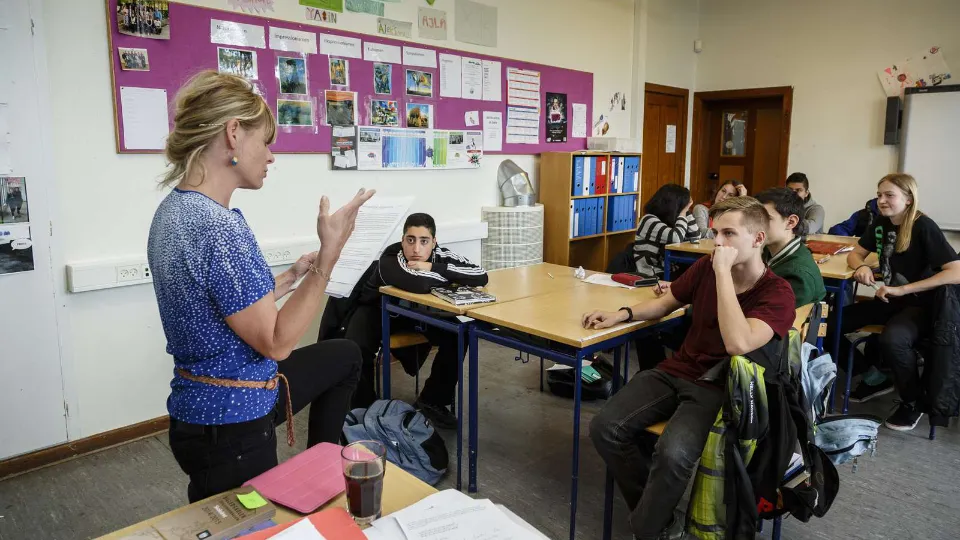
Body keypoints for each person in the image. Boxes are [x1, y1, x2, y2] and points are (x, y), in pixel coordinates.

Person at [147, 70, 376, 503]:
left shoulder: (174, 212)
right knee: (241, 526)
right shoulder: (218, 227)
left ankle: (322, 474)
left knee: (344, 355)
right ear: (233, 134)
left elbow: (223, 304)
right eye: (265, 141)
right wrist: (329, 256)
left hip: (197, 415)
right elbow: (276, 341)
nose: (271, 156)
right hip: (231, 427)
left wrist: (291, 278)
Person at [585, 196, 795, 539]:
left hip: (717, 385)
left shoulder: (777, 292)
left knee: (673, 453)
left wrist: (723, 273)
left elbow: (737, 343)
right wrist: (622, 314)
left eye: (729, 234)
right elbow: (666, 303)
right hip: (677, 370)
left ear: (757, 239)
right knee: (605, 427)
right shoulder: (705, 269)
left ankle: (647, 528)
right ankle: (660, 521)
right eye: (715, 234)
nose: (718, 243)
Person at [320, 213, 488, 428]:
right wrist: (451, 278)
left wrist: (434, 269)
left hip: (413, 314)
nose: (416, 249)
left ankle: (432, 400)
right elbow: (418, 284)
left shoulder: (441, 256)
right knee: (357, 344)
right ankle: (363, 408)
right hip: (376, 308)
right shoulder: (391, 257)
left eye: (424, 241)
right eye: (410, 240)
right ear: (403, 240)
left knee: (458, 334)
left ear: (434, 243)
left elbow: (481, 275)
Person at [836, 174, 960, 429]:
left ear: (908, 198)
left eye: (889, 195)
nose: (881, 200)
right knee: (833, 322)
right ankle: (874, 374)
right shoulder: (881, 223)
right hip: (891, 299)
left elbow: (955, 271)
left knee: (893, 339)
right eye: (879, 194)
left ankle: (913, 401)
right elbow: (856, 253)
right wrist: (861, 267)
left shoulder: (923, 226)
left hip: (923, 305)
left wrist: (904, 289)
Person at [756, 187, 826, 307]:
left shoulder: (798, 275)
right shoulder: (768, 251)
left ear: (791, 222)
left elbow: (763, 314)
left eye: (766, 218)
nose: (756, 225)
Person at [632, 184, 699, 279]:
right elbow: (676, 238)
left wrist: (686, 211)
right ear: (673, 206)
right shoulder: (648, 220)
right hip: (653, 274)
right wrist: (683, 212)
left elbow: (695, 236)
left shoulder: (673, 220)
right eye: (682, 207)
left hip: (670, 271)